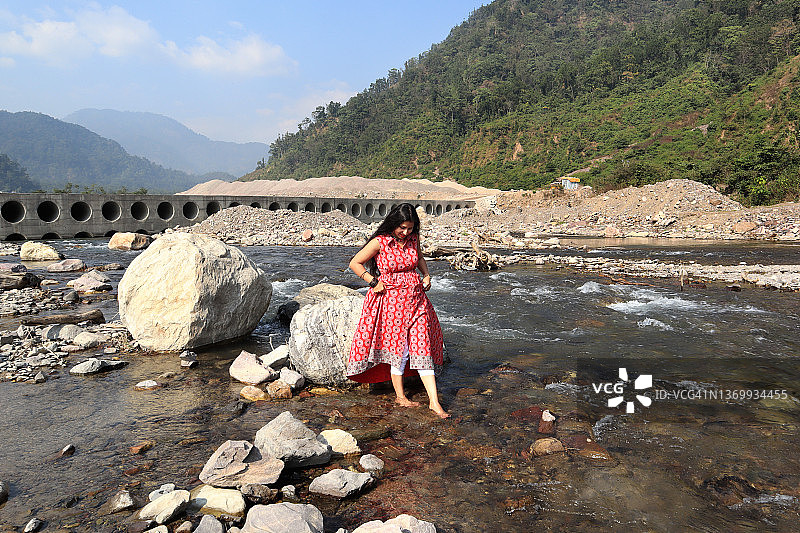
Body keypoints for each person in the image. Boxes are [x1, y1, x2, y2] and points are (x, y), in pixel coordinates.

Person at [346, 203, 450, 418]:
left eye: (410, 228)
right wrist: (373, 281)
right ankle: (400, 397)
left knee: (423, 346)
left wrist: (426, 275)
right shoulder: (380, 242)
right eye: (402, 227)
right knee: (399, 350)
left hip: (417, 300)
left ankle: (434, 402)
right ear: (393, 223)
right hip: (391, 303)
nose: (406, 232)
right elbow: (355, 263)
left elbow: (419, 258)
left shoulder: (413, 239)